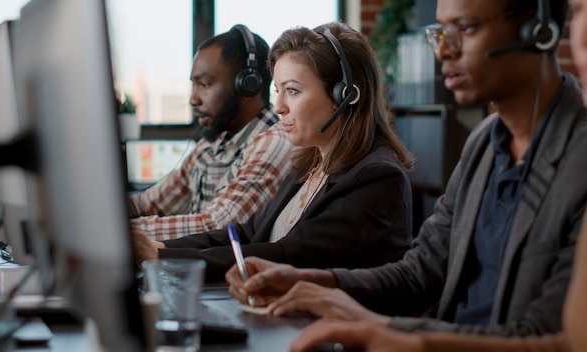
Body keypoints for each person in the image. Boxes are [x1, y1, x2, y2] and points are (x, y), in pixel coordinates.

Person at [227, 0, 587, 341]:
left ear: (536, 30)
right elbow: (419, 275)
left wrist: (390, 332)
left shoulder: (578, 157)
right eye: (441, 32)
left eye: (466, 28)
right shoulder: (483, 145)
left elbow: (547, 336)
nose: (443, 51)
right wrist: (309, 282)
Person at [131, 21, 414, 282]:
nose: (279, 107)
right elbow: (244, 234)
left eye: (292, 90)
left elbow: (287, 255)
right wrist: (162, 246)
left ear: (345, 95)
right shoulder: (308, 166)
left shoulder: (376, 177)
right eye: (277, 90)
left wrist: (164, 258)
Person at [128, 25, 293, 241]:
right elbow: (148, 203)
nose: (193, 99)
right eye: (194, 85)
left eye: (204, 84)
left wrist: (123, 232)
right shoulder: (212, 144)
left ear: (247, 86)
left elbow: (216, 226)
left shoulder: (273, 143)